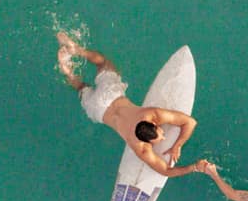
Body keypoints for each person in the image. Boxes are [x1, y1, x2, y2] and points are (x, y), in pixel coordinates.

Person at [56, 31, 200, 177]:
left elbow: (189, 122)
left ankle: (76, 51)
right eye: (161, 136)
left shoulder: (151, 114)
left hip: (110, 95)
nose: (163, 137)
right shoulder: (141, 148)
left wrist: (181, 150)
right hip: (99, 109)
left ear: (153, 124)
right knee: (81, 87)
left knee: (103, 63)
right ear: (152, 128)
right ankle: (67, 70)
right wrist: (178, 147)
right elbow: (166, 171)